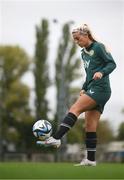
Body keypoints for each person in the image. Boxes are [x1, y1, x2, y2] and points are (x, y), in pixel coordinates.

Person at [37, 24, 116, 166]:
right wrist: (84, 87)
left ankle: (56, 137)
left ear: (86, 35)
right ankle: (91, 160)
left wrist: (102, 72)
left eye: (78, 39)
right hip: (93, 88)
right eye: (74, 40)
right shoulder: (83, 53)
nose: (76, 42)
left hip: (101, 89)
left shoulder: (98, 47)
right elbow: (89, 74)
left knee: (75, 108)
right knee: (89, 126)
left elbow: (112, 64)